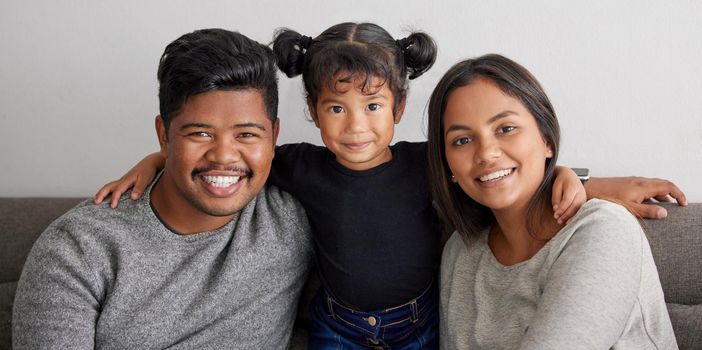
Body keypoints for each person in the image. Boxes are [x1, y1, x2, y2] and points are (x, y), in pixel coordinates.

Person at [92, 22, 593, 349]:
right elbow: (228, 153)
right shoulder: (299, 166)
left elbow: (501, 176)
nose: (355, 127)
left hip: (418, 323)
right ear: (312, 112)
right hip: (338, 326)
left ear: (398, 108)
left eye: (373, 107)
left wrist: (578, 178)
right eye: (336, 108)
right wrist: (155, 160)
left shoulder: (430, 162)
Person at [13, 28, 313, 349]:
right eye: (200, 133)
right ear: (163, 135)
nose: (224, 155)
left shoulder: (296, 217)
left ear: (273, 135)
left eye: (247, 135)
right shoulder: (78, 249)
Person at [427, 54, 678, 349]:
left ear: (547, 139)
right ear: (448, 166)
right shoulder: (461, 252)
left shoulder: (603, 231)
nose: (486, 153)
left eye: (506, 128)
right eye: (462, 140)